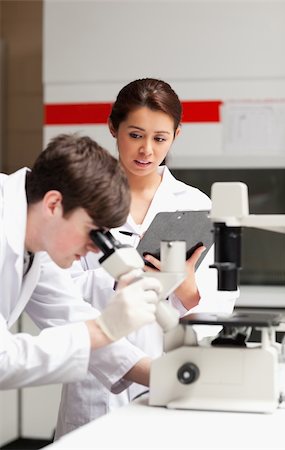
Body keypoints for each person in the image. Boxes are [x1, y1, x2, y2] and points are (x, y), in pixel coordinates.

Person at [55, 79, 238, 438]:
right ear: (113, 128)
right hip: (96, 385)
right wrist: (123, 277)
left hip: (170, 373)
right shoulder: (81, 200)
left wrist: (188, 291)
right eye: (136, 135)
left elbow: (220, 310)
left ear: (176, 135)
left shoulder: (196, 206)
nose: (147, 151)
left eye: (160, 139)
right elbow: (57, 293)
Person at [0, 133, 162, 390]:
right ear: (54, 204)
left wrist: (168, 379)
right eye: (91, 231)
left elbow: (70, 315)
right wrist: (104, 328)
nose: (93, 248)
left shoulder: (39, 239)